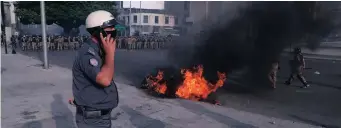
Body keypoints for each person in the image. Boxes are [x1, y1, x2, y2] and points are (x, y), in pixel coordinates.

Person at [70, 10, 119, 128]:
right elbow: (105, 80)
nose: (113, 31)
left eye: (113, 28)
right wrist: (110, 55)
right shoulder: (88, 53)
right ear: (97, 31)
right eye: (109, 29)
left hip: (99, 116)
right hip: (93, 119)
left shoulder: (99, 49)